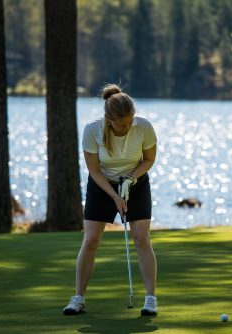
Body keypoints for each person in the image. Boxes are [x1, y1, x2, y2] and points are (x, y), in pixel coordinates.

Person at [63, 84, 158, 316]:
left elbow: (148, 160)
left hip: (135, 182)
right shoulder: (92, 130)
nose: (127, 127)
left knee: (141, 239)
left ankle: (150, 299)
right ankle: (78, 298)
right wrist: (115, 195)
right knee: (91, 239)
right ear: (108, 119)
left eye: (129, 121)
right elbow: (94, 171)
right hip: (102, 185)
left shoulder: (143, 126)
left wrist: (130, 180)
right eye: (121, 124)